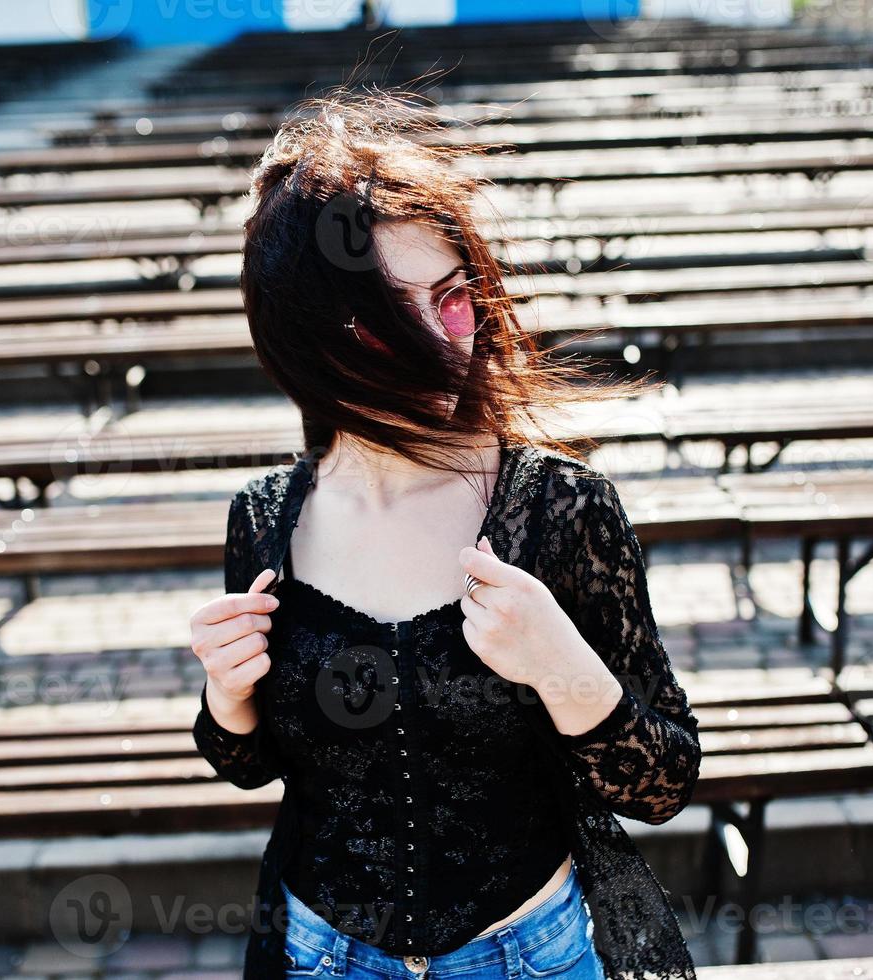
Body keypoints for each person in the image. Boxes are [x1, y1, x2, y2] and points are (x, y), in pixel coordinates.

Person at [188, 88, 701, 980]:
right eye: (385, 316)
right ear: (310, 339)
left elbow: (662, 783)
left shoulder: (561, 509)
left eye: (452, 296)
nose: (437, 340)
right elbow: (253, 765)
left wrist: (560, 667)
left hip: (530, 956)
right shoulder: (266, 518)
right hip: (320, 956)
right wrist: (227, 698)